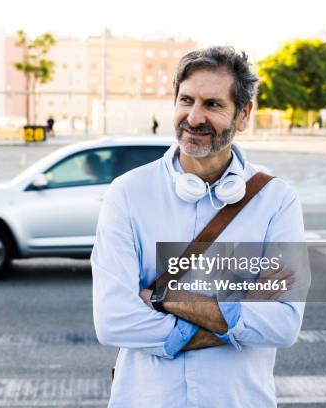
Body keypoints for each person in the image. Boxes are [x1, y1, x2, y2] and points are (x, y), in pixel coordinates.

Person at [92, 46, 306, 407]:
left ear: (243, 114)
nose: (193, 117)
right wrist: (242, 308)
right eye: (186, 100)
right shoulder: (128, 194)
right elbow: (114, 321)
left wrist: (162, 299)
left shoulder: (277, 200)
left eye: (212, 104)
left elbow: (283, 324)